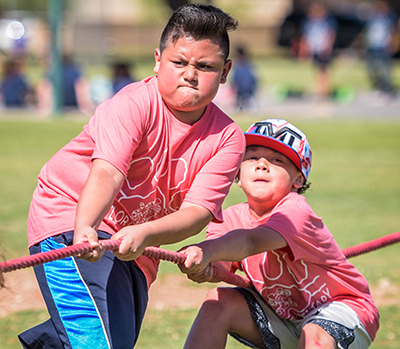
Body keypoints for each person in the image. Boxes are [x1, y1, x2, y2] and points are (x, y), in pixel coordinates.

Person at [19, 4, 244, 348]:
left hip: (137, 250)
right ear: (158, 60)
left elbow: (197, 212)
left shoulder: (228, 138)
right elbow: (107, 172)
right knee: (97, 343)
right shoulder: (132, 104)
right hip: (72, 220)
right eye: (179, 62)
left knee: (114, 340)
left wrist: (145, 233)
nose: (190, 74)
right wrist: (85, 227)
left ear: (225, 71)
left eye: (205, 66)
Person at [179, 119, 379, 349]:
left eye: (276, 160)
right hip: (283, 317)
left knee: (314, 332)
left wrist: (205, 250)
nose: (262, 165)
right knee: (217, 302)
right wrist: (205, 268)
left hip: (342, 308)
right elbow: (221, 266)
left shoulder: (295, 211)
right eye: (252, 157)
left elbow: (250, 241)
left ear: (298, 179)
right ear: (237, 172)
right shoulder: (229, 218)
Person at [299, 2, 338, 99]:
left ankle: (324, 90)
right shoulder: (309, 23)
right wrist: (305, 49)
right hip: (315, 49)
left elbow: (331, 34)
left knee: (324, 69)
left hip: (323, 49)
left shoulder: (327, 21)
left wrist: (328, 47)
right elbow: (305, 37)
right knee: (317, 69)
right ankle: (319, 89)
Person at [363, 0, 399, 98]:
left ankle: (387, 89)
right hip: (373, 46)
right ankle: (379, 87)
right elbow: (369, 30)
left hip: (385, 46)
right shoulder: (373, 17)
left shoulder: (390, 17)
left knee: (385, 68)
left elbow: (394, 30)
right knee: (371, 67)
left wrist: (394, 43)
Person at [232, 46, 258, 112]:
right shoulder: (238, 64)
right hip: (241, 87)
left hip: (246, 87)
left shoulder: (246, 64)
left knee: (247, 101)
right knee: (240, 100)